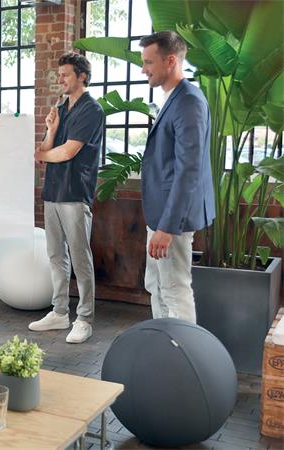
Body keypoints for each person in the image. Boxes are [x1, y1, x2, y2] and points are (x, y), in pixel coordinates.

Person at [29, 52, 105, 344]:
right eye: (59, 74)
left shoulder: (91, 110)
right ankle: (59, 312)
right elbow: (46, 150)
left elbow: (67, 152)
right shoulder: (61, 108)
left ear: (82, 76)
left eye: (66, 75)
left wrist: (43, 154)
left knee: (80, 258)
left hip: (75, 194)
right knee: (56, 255)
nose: (60, 79)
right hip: (53, 193)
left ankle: (84, 318)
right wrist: (51, 131)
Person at [139, 31, 214, 323]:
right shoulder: (174, 98)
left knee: (174, 290)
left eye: (148, 62)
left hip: (172, 220)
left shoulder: (188, 101)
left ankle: (182, 350)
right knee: (156, 285)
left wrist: (167, 227)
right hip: (160, 215)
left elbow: (188, 169)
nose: (143, 69)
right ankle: (163, 342)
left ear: (170, 61)